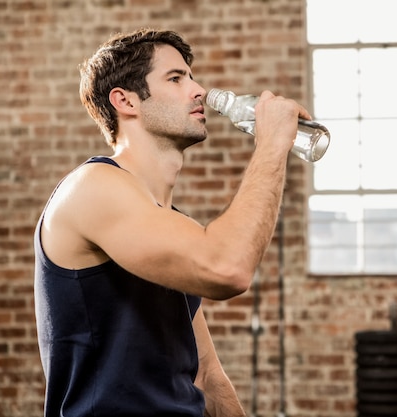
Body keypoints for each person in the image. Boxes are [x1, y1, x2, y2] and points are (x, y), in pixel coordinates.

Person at [33, 28, 312, 417]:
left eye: (192, 77)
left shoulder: (168, 224)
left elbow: (208, 377)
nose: (198, 90)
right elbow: (227, 268)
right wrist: (271, 145)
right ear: (125, 100)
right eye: (176, 78)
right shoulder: (93, 187)